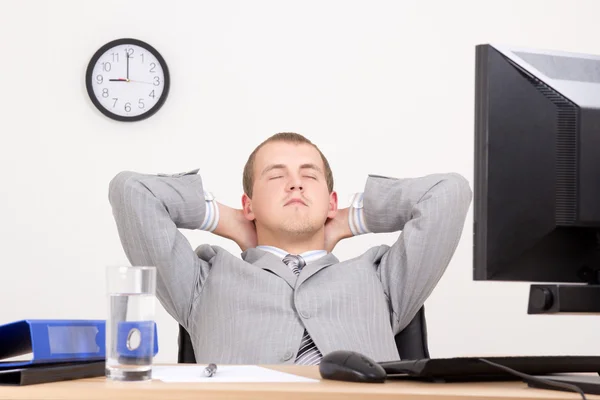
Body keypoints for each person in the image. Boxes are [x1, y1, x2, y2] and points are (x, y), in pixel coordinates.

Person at [108, 132, 472, 365]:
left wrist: (349, 220)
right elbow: (130, 192)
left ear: (330, 202)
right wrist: (225, 219)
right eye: (277, 176)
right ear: (248, 204)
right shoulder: (200, 282)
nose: (295, 184)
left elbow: (449, 193)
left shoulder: (382, 279)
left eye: (309, 176)